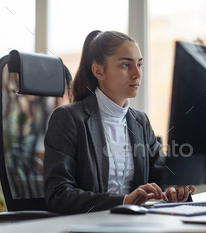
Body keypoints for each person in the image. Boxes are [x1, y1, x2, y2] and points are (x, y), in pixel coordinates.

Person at [44, 30, 195, 214]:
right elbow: (58, 195)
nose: (137, 74)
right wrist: (123, 201)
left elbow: (161, 175)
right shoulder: (68, 118)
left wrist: (173, 188)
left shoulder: (140, 121)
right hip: (88, 225)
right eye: (126, 65)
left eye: (139, 64)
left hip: (134, 222)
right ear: (98, 71)